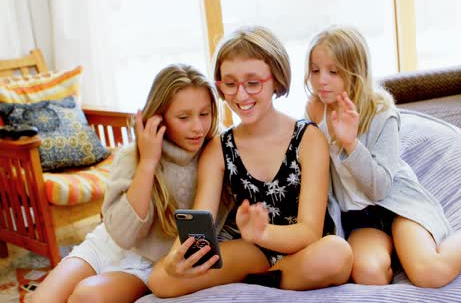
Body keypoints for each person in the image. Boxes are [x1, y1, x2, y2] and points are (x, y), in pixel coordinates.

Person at [304, 26, 461, 288]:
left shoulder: (381, 113)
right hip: (361, 217)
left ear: (355, 71)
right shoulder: (315, 110)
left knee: (430, 274)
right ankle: (393, 255)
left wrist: (351, 144)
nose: (321, 80)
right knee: (369, 274)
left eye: (333, 71)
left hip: (397, 205)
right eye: (315, 70)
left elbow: (380, 188)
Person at [148, 26, 353, 298]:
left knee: (338, 254)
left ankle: (265, 280)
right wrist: (177, 260)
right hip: (251, 253)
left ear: (276, 80)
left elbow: (309, 232)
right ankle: (275, 278)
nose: (241, 96)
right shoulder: (219, 148)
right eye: (230, 84)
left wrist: (262, 232)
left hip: (304, 248)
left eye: (253, 83)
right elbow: (200, 224)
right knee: (161, 280)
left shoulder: (308, 138)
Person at [32, 63, 221, 303]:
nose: (198, 127)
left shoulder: (216, 156)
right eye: (184, 117)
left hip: (151, 264)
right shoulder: (132, 156)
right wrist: (148, 162)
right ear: (159, 117)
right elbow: (121, 235)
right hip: (107, 245)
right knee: (41, 300)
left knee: (87, 297)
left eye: (205, 114)